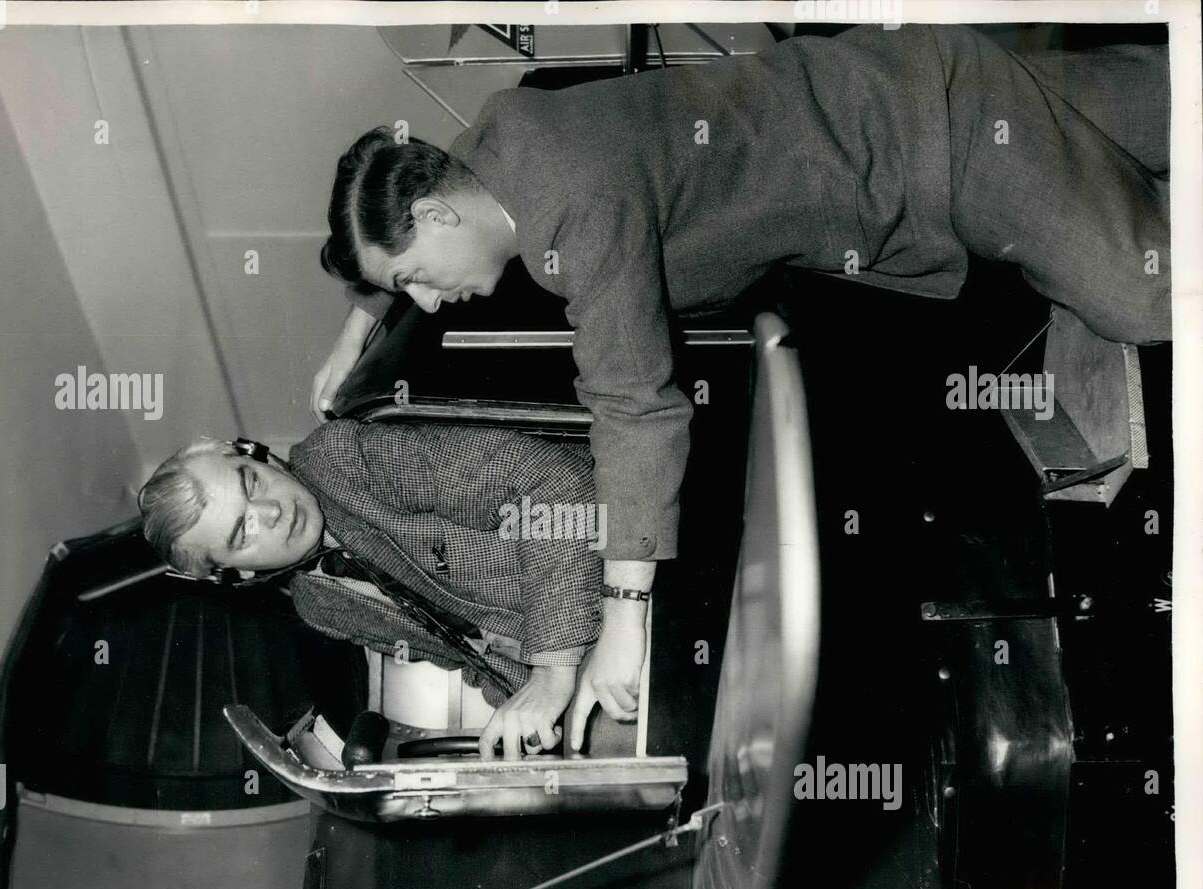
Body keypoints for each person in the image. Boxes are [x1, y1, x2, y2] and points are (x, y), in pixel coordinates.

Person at [308, 23, 1171, 750]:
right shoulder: (495, 145)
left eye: (415, 275)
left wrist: (623, 623)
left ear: (436, 216)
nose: (426, 302)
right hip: (905, 91)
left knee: (1150, 295)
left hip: (935, 144)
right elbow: (395, 182)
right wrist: (357, 325)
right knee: (1171, 104)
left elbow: (636, 408)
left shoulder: (572, 203)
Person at [137, 418, 603, 763]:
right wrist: (530, 725)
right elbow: (469, 656)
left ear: (255, 455)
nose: (272, 511)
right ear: (237, 576)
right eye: (243, 532)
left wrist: (552, 674)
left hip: (632, 579)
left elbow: (553, 484)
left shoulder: (340, 459)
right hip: (590, 681)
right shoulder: (319, 606)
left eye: (250, 482)